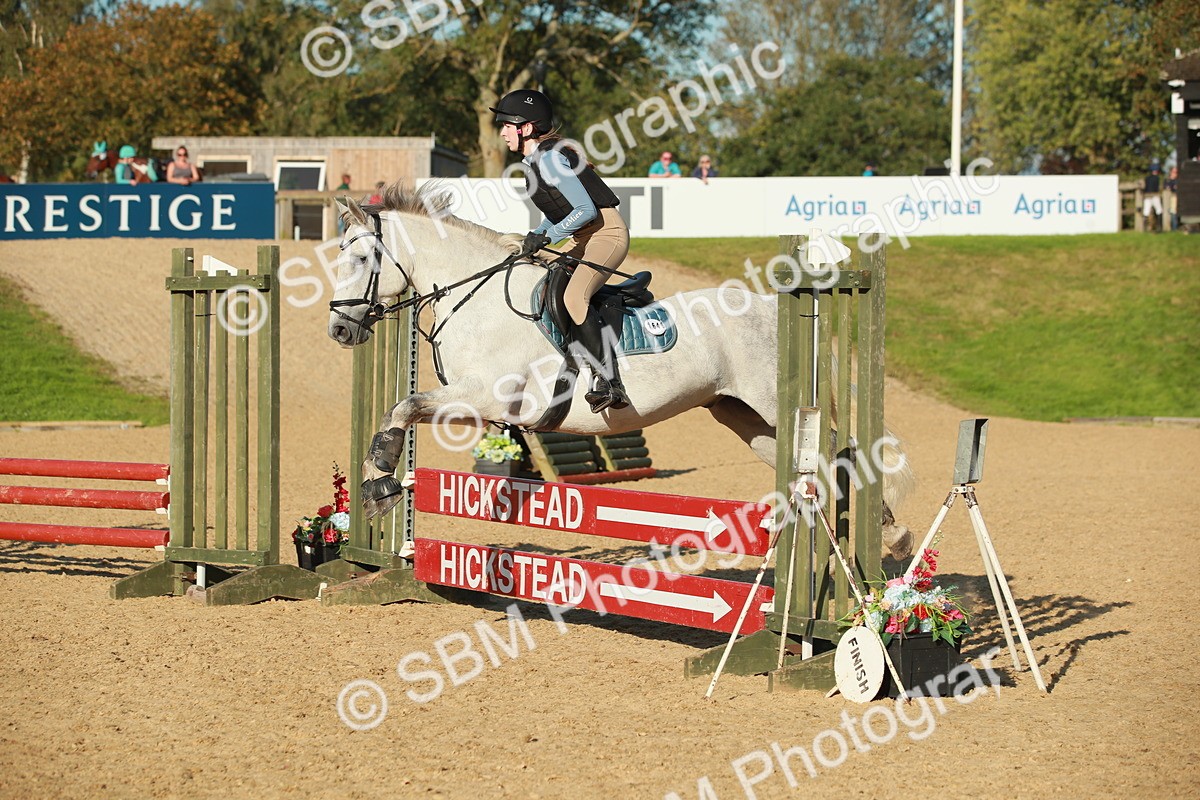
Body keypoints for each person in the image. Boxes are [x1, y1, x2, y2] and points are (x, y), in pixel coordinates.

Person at [491, 88, 630, 413]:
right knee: (539, 281)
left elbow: (585, 210)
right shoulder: (536, 161)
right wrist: (536, 234)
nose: (501, 132)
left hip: (606, 234)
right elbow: (558, 209)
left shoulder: (551, 158)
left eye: (506, 125)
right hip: (584, 237)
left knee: (573, 295)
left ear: (525, 127)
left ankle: (610, 382)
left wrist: (549, 236)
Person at [1143, 163, 1163, 232]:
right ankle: (1159, 227)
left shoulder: (1147, 178)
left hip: (1147, 196)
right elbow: (1156, 188)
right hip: (1154, 195)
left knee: (1146, 211)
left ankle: (1145, 228)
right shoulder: (1157, 178)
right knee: (1159, 210)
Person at [1164, 166, 1179, 232]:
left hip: (1175, 197)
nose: (1175, 173)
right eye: (1174, 172)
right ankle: (1171, 228)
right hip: (1168, 198)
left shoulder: (1178, 180)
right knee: (1170, 212)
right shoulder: (1167, 180)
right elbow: (1166, 188)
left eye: (1176, 172)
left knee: (1174, 212)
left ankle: (1174, 228)